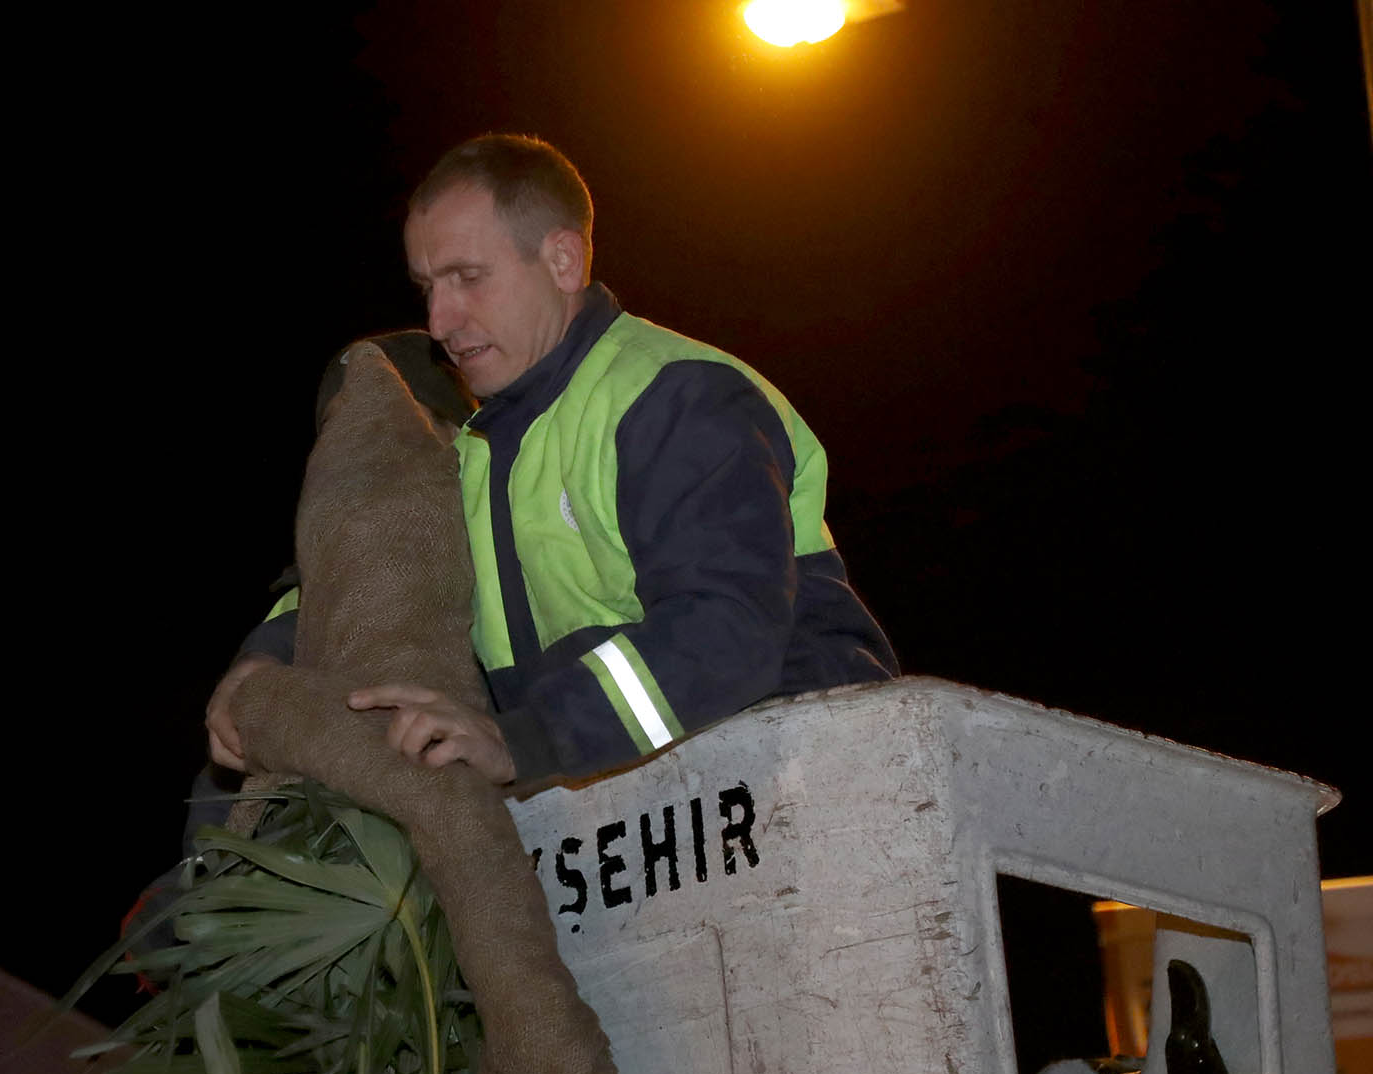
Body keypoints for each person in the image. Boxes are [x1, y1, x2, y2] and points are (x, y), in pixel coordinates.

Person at [206, 132, 896, 796]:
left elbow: (726, 630)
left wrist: (525, 739)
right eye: (427, 289)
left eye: (468, 278)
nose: (441, 321)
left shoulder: (675, 395)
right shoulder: (478, 453)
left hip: (814, 764)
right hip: (647, 800)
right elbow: (379, 571)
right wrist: (261, 661)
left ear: (564, 261)